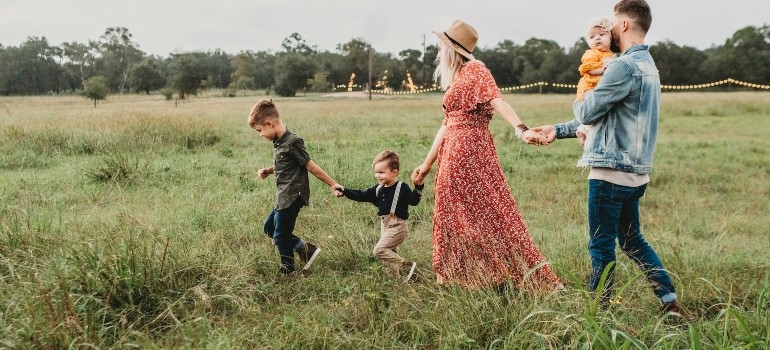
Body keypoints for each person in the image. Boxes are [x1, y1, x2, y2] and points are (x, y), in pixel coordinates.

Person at [532, 0, 693, 318]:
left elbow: (589, 111)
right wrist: (558, 129)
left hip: (609, 172)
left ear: (624, 25)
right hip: (635, 174)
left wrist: (581, 92)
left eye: (612, 23)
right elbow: (611, 117)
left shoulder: (622, 66)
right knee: (633, 241)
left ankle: (597, 312)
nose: (607, 30)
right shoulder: (649, 66)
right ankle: (670, 302)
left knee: (600, 244)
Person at [411, 19, 561, 290]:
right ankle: (456, 278)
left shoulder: (476, 71)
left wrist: (521, 129)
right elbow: (446, 124)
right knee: (452, 215)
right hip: (452, 152)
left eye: (441, 46)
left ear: (452, 49)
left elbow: (497, 100)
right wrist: (426, 163)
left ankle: (498, 274)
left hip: (469, 152)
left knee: (488, 212)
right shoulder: (458, 77)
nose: (438, 52)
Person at [249, 98, 342, 276]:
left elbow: (310, 166)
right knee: (269, 228)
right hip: (282, 196)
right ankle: (305, 249)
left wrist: (333, 184)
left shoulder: (293, 141)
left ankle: (288, 270)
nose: (260, 134)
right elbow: (284, 164)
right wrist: (268, 170)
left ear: (269, 124)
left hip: (293, 196)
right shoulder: (279, 142)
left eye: (260, 130)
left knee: (280, 236)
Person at [334, 151, 423, 282]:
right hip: (385, 225)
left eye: (381, 172)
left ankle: (406, 265)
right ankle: (396, 281)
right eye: (376, 172)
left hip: (398, 225)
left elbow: (413, 201)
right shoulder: (378, 189)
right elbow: (361, 195)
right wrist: (344, 190)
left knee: (379, 250)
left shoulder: (401, 187)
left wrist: (418, 187)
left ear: (394, 172)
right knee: (388, 256)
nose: (377, 175)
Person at [575, 17, 616, 150]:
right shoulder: (591, 53)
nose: (597, 38)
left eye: (602, 35)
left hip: (599, 85)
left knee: (599, 109)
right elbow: (588, 69)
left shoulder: (611, 54)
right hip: (589, 85)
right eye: (592, 37)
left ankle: (582, 129)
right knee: (593, 104)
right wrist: (603, 70)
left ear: (610, 38)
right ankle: (584, 131)